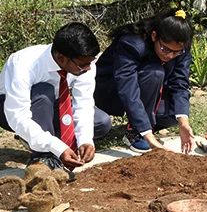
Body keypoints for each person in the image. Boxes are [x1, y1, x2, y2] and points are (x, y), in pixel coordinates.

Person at [0, 22, 112, 173]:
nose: (89, 68)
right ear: (61, 58)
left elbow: (83, 103)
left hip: (54, 105)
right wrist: (56, 147)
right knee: (43, 91)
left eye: (90, 62)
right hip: (10, 109)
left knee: (101, 122)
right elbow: (17, 115)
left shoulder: (84, 64)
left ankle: (39, 137)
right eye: (83, 65)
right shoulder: (23, 63)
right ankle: (43, 155)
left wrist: (85, 139)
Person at [94, 10, 195, 154]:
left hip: (148, 90)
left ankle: (144, 123)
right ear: (154, 36)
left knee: (175, 113)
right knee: (154, 73)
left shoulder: (181, 49)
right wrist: (146, 134)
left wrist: (183, 122)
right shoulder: (132, 43)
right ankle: (135, 132)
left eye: (176, 52)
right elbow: (127, 87)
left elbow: (180, 83)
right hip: (111, 90)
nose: (170, 55)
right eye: (165, 49)